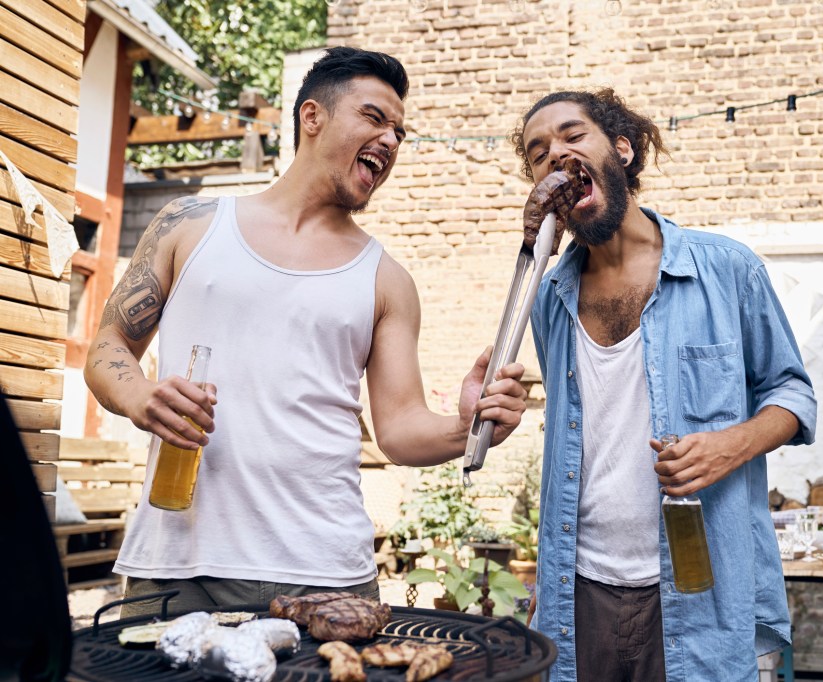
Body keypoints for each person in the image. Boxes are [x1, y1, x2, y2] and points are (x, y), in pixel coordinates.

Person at [84, 47, 528, 617]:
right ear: (312, 117)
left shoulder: (387, 280)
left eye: (399, 131)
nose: (391, 140)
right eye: (374, 118)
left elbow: (398, 431)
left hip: (326, 574)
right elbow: (108, 348)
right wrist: (139, 395)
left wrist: (468, 427)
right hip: (177, 566)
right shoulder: (188, 226)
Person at [511, 89, 816, 681]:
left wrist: (735, 443)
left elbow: (793, 394)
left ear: (621, 149)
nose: (554, 155)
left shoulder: (727, 270)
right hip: (581, 593)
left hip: (699, 592)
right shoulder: (548, 298)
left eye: (574, 136)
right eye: (538, 151)